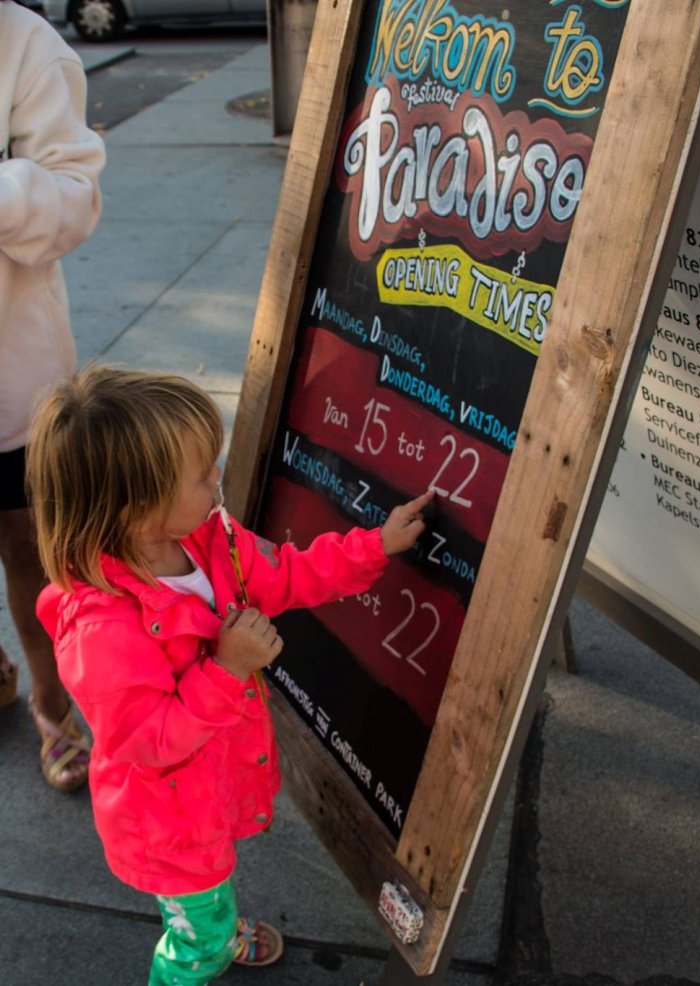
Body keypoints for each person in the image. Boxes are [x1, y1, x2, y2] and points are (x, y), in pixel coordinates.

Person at [27, 365, 434, 981]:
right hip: (168, 822)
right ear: (140, 513)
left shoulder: (206, 539)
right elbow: (149, 740)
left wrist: (374, 546)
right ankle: (201, 948)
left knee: (207, 895)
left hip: (205, 792)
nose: (216, 478)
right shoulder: (102, 631)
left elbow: (287, 574)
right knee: (198, 943)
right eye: (200, 475)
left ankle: (211, 921)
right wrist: (225, 668)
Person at [0, 0, 105, 789]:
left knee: (31, 546)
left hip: (13, 370)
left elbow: (77, 201)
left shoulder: (26, 44)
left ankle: (52, 704)